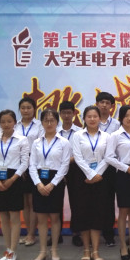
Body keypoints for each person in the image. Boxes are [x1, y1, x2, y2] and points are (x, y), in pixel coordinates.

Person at [29, 108, 71, 260]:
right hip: (39, 180)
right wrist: (38, 184)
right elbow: (32, 165)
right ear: (41, 123)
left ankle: (54, 250)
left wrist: (53, 184)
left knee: (54, 217)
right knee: (41, 219)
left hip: (56, 181)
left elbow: (65, 165)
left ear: (57, 122)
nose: (49, 123)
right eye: (46, 120)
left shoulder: (64, 142)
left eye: (52, 120)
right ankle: (42, 252)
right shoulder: (36, 143)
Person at [0, 110, 29, 260]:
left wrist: (13, 179)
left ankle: (13, 250)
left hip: (14, 179)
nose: (6, 124)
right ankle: (7, 249)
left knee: (14, 216)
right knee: (3, 216)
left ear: (14, 122)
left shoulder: (22, 140)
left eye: (9, 121)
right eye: (3, 121)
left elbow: (24, 162)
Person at [72, 105, 110, 260]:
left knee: (97, 213)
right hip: (82, 178)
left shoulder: (106, 136)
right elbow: (77, 157)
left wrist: (97, 174)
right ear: (84, 119)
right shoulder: (77, 135)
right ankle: (86, 250)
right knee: (83, 213)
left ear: (100, 118)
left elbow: (108, 156)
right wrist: (90, 174)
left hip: (100, 178)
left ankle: (95, 250)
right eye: (89, 116)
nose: (92, 119)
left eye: (95, 116)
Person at [104, 105, 130, 260]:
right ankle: (123, 247)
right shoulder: (115, 135)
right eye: (126, 115)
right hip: (123, 175)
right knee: (123, 212)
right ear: (121, 118)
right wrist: (126, 168)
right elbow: (109, 157)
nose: (129, 118)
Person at [15, 97, 44, 247]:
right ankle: (28, 232)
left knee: (33, 202)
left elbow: (40, 147)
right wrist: (20, 166)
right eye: (23, 108)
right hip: (18, 165)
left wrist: (28, 164)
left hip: (34, 165)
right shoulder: (15, 125)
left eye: (29, 107)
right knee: (24, 202)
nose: (26, 110)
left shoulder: (39, 125)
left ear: (34, 109)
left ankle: (32, 234)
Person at [96, 91, 121, 247]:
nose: (104, 105)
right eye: (101, 102)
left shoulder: (117, 125)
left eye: (107, 103)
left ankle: (108, 234)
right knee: (93, 201)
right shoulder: (91, 120)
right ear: (97, 104)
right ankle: (93, 233)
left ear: (112, 106)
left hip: (111, 168)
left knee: (108, 201)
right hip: (93, 168)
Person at [57, 101, 83, 247]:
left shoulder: (80, 132)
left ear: (74, 113)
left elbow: (81, 152)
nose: (66, 115)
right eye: (64, 113)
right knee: (56, 202)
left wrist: (66, 161)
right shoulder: (54, 131)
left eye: (69, 112)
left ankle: (76, 233)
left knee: (76, 202)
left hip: (75, 168)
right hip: (56, 168)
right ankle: (57, 233)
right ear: (60, 114)